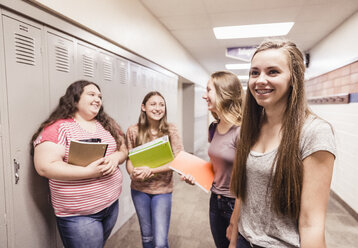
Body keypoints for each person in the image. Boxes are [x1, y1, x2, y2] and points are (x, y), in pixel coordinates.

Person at [228, 39, 336, 248]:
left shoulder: (314, 132)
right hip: (244, 239)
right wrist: (233, 240)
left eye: (273, 72)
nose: (260, 80)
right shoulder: (249, 128)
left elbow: (311, 223)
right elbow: (244, 194)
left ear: (293, 79)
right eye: (254, 72)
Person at [31, 80, 127, 248]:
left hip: (111, 205)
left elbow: (124, 149)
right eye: (91, 94)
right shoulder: (59, 128)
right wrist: (89, 172)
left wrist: (115, 157)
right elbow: (45, 166)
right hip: (79, 215)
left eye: (100, 96)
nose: (98, 99)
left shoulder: (106, 124)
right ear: (75, 99)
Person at [184, 71, 244, 248]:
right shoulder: (214, 128)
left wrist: (234, 221)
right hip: (215, 201)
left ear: (223, 93)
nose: (204, 96)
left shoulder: (241, 131)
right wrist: (195, 175)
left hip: (235, 204)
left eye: (208, 90)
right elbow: (217, 165)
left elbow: (245, 180)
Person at [126, 91, 183, 248]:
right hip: (139, 190)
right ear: (143, 107)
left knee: (160, 242)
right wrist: (133, 173)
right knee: (147, 238)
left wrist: (151, 170)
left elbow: (179, 160)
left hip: (162, 190)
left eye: (161, 104)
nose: (158, 108)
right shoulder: (133, 130)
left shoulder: (171, 129)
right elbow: (129, 158)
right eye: (153, 104)